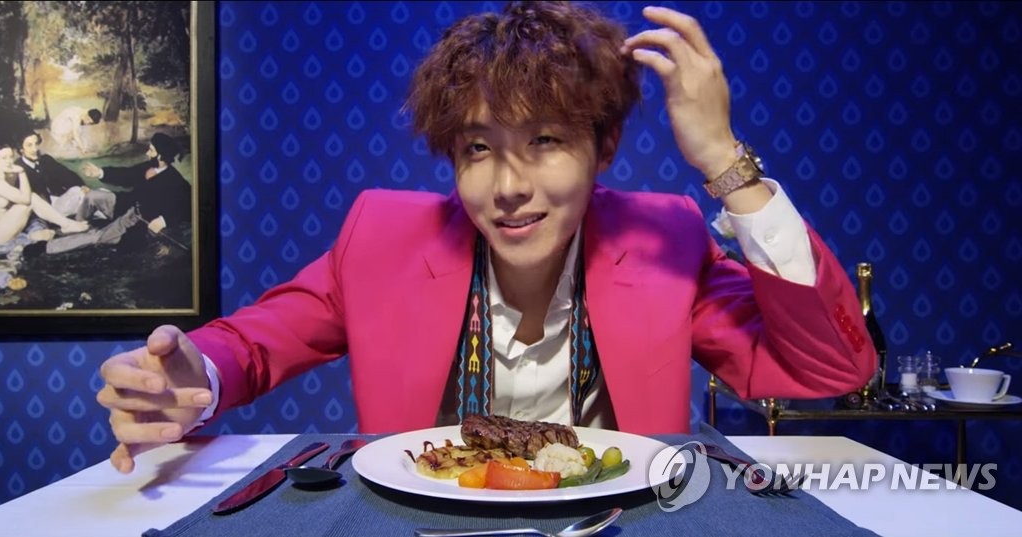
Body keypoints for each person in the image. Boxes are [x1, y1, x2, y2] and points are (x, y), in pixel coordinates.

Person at [96, 2, 875, 474]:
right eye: (478, 148)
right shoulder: (381, 236)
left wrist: (724, 162)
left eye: (545, 140)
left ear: (603, 148)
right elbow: (254, 343)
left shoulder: (665, 239)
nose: (508, 186)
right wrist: (192, 377)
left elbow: (829, 367)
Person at [43, 133, 192, 255]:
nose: (147, 153)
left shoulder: (175, 181)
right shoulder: (148, 167)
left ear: (161, 156)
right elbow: (126, 175)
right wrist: (100, 172)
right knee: (91, 196)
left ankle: (48, 247)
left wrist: (164, 220)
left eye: (151, 150)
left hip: (136, 222)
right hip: (123, 204)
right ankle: (77, 226)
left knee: (97, 237)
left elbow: (189, 205)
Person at [0, 145, 88, 243]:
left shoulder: (6, 176)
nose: (9, 161)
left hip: (6, 227)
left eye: (11, 157)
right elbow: (26, 199)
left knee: (32, 199)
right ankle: (66, 225)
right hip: (0, 234)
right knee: (31, 198)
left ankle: (64, 225)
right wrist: (22, 172)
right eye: (4, 158)